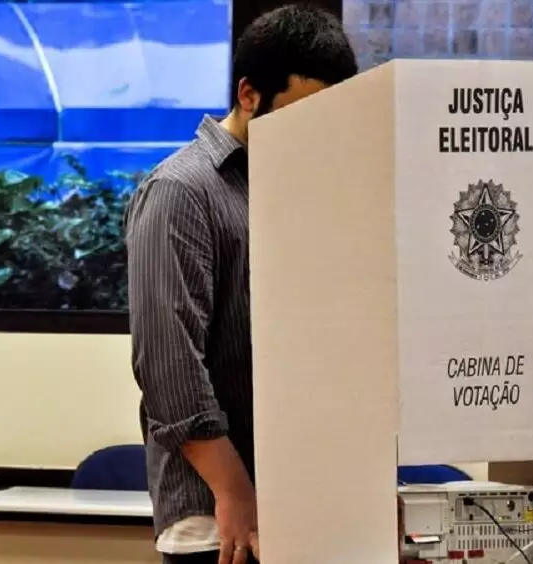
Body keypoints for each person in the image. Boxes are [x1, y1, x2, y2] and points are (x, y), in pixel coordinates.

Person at [124, 5, 358, 564]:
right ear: (249, 94)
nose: (312, 136)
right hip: (220, 518)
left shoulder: (297, 188)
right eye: (298, 116)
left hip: (304, 505)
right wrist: (234, 491)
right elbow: (168, 363)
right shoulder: (181, 191)